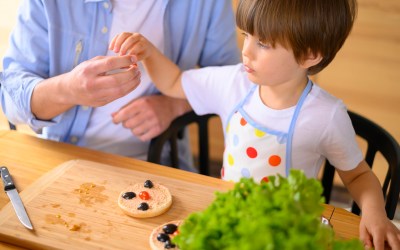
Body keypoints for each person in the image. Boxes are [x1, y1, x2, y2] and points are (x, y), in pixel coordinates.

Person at [110, 0, 400, 249]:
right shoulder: (233, 83)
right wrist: (147, 51)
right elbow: (174, 82)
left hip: (287, 232)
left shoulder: (326, 116)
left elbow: (359, 176)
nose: (246, 50)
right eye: (246, 35)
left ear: (309, 54)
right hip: (233, 221)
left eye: (263, 43)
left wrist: (376, 213)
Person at [0, 1, 240, 171]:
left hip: (158, 163)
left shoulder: (207, 4)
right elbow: (10, 99)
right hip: (59, 160)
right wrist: (69, 89)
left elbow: (230, 80)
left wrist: (174, 105)